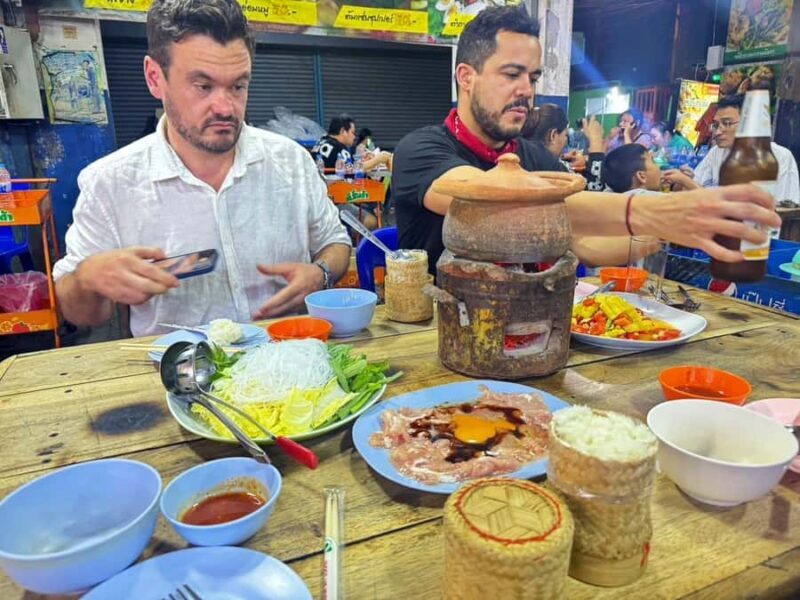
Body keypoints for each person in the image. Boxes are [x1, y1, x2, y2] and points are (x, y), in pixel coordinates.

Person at [392, 5, 780, 273]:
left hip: (533, 327)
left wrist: (666, 233)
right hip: (442, 343)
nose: (527, 90)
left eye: (534, 77)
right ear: (466, 77)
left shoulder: (532, 157)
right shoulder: (421, 150)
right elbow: (486, 200)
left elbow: (581, 241)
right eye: (511, 74)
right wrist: (647, 211)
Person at [53, 0, 351, 338]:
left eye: (238, 86)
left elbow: (335, 242)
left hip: (289, 366)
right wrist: (88, 279)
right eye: (203, 86)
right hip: (182, 376)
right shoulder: (110, 183)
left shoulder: (291, 162)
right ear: (155, 78)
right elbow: (81, 313)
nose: (225, 107)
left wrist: (320, 273)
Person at [662, 95, 800, 205]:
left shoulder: (779, 156)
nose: (717, 132)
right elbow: (697, 188)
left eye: (727, 123)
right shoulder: (717, 152)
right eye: (715, 125)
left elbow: (780, 210)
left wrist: (688, 183)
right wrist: (686, 180)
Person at [524, 105, 605, 191]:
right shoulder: (550, 167)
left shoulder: (524, 153)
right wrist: (596, 142)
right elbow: (594, 188)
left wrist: (564, 157)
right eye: (565, 135)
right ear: (553, 135)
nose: (566, 140)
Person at [313, 116, 391, 172]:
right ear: (343, 131)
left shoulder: (321, 140)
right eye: (353, 132)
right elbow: (354, 170)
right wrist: (378, 159)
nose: (354, 136)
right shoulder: (338, 147)